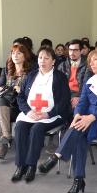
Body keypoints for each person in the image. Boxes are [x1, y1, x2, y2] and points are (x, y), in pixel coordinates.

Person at [38, 49, 97, 193]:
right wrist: (77, 114)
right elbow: (82, 102)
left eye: (95, 60)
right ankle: (78, 180)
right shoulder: (89, 81)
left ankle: (58, 157)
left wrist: (91, 117)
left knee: (79, 130)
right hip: (86, 121)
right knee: (79, 132)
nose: (91, 63)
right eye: (90, 60)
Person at [11, 46, 71, 183]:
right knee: (19, 127)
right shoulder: (31, 75)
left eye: (46, 58)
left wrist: (48, 114)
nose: (42, 61)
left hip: (52, 115)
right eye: (40, 57)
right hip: (32, 113)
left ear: (53, 61)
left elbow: (64, 102)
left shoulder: (60, 77)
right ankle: (21, 166)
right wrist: (28, 111)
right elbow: (20, 97)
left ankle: (31, 165)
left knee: (36, 129)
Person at [0, 43, 33, 159]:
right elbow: (0, 87)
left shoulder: (30, 72)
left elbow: (32, 93)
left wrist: (21, 90)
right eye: (13, 53)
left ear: (25, 56)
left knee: (1, 108)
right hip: (8, 104)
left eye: (19, 53)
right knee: (1, 102)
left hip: (22, 106)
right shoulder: (7, 70)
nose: (15, 55)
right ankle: (6, 137)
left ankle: (4, 141)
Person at [57, 39, 90, 110]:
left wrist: (79, 97)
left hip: (80, 95)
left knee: (77, 108)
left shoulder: (88, 65)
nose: (72, 52)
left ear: (81, 51)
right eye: (70, 50)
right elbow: (58, 86)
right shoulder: (62, 66)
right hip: (65, 94)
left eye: (75, 50)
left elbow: (87, 85)